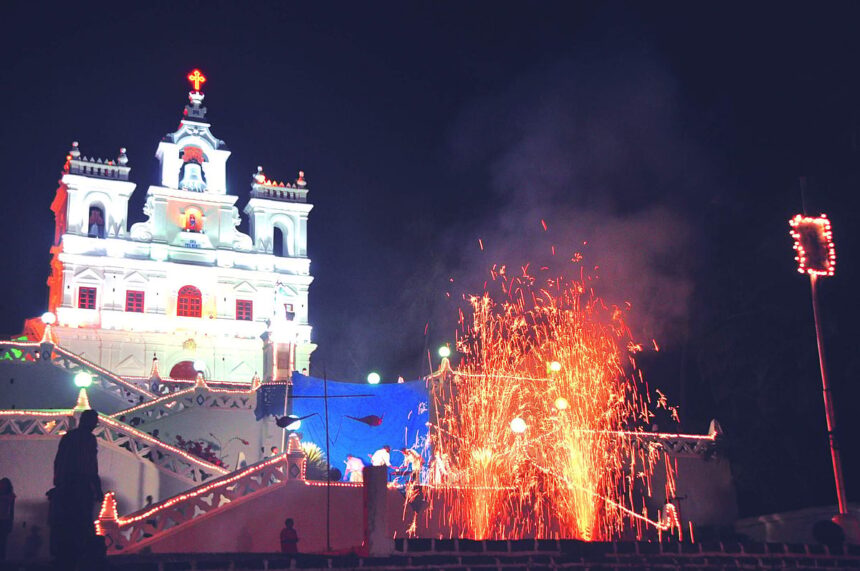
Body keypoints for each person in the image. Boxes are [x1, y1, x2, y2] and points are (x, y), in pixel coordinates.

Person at [50, 409, 104, 570]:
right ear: (87, 421)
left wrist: (59, 482)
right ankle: (78, 556)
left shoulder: (72, 437)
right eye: (94, 421)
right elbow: (90, 466)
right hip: (78, 485)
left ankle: (70, 556)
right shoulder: (86, 439)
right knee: (81, 522)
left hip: (71, 484)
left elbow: (60, 460)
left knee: (72, 523)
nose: (95, 425)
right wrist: (97, 487)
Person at [0, 478, 14, 560]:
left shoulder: (11, 496)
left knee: (2, 541)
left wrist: (10, 522)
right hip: (4, 519)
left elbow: (12, 510)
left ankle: (1, 559)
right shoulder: (10, 496)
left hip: (5, 520)